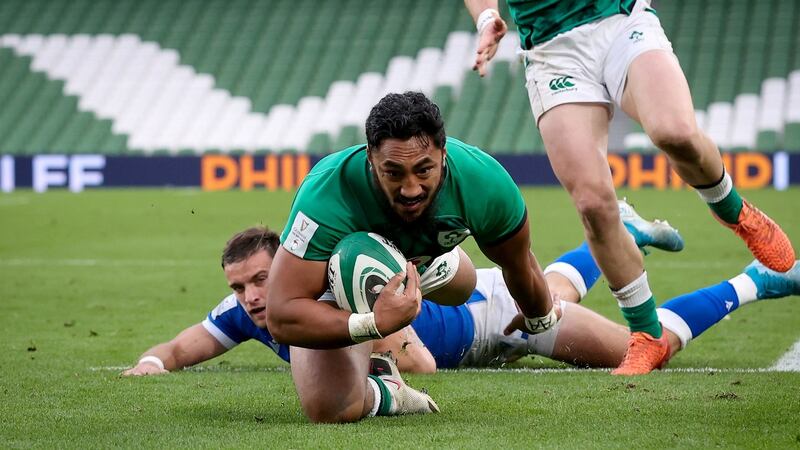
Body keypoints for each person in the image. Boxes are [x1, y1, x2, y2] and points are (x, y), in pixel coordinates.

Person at [463, 0, 795, 375]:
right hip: (551, 48)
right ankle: (646, 335)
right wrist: (488, 17)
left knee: (675, 132)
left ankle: (737, 212)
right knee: (591, 202)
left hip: (620, 19)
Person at [122, 217, 800, 376]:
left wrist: (367, 341)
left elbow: (415, 366)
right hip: (482, 323)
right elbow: (180, 346)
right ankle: (614, 228)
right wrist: (153, 365)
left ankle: (755, 281)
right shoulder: (247, 312)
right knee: (556, 284)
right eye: (237, 288)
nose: (248, 298)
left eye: (259, 282)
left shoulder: (339, 286)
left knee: (637, 352)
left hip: (492, 320)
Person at [265, 91, 559, 422]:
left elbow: (518, 262)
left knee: (465, 286)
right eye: (393, 173)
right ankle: (390, 390)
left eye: (423, 170)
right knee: (330, 410)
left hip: (427, 261)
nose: (410, 188)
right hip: (338, 278)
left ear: (444, 156)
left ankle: (426, 263)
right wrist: (372, 324)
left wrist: (540, 317)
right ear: (370, 159)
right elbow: (281, 315)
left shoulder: (483, 182)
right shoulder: (327, 194)